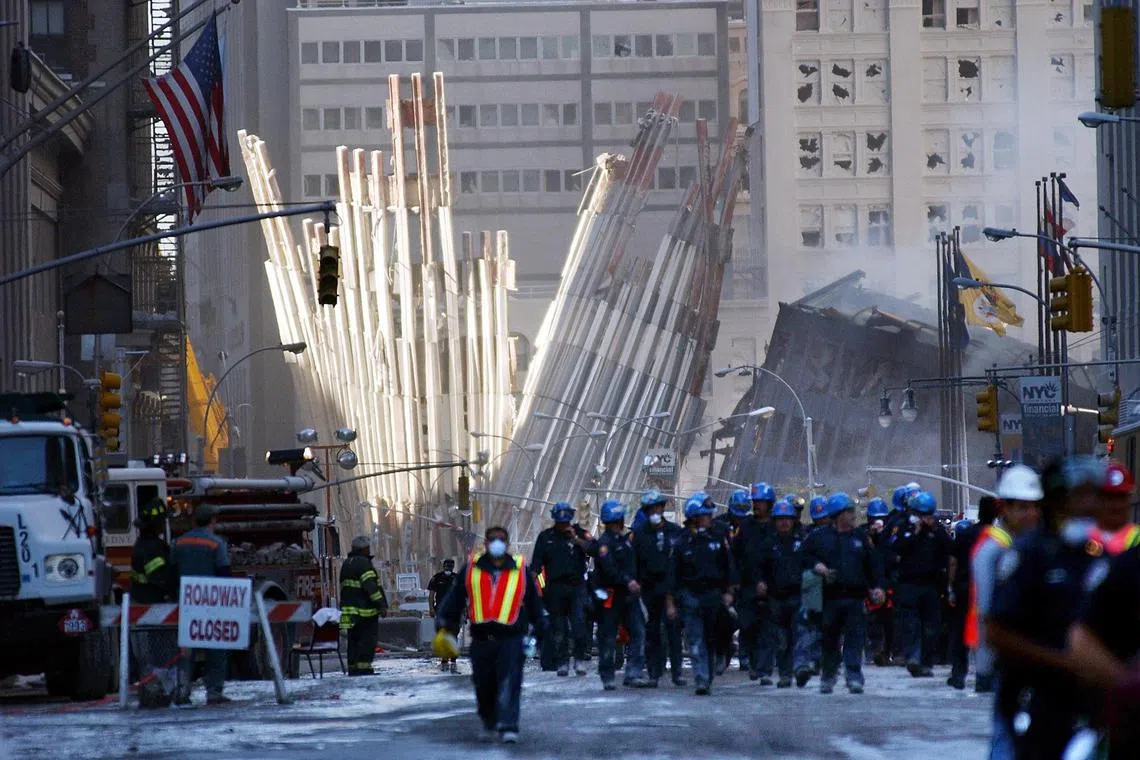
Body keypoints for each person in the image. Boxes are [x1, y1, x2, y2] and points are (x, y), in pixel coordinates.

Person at [988, 456, 1107, 759]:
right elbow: (998, 632)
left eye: (1095, 494)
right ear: (1056, 500)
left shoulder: (1095, 555)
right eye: (1079, 495)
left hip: (1088, 702)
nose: (1089, 504)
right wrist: (1062, 662)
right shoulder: (1029, 554)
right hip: (1036, 699)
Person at [435, 526, 545, 744]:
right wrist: (445, 622)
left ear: (507, 544)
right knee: (484, 684)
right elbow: (455, 598)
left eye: (501, 539)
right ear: (485, 543)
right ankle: (488, 720)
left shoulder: (520, 569)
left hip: (511, 637)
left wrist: (540, 629)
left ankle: (509, 725)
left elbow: (533, 603)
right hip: (482, 639)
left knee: (511, 680)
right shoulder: (472, 568)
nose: (497, 543)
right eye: (493, 539)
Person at [801, 492, 886, 695]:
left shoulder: (859, 538)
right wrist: (817, 566)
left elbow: (873, 565)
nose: (852, 515)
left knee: (855, 640)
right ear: (839, 514)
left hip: (855, 597)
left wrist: (878, 587)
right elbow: (802, 557)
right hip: (829, 598)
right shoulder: (819, 538)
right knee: (829, 640)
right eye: (849, 511)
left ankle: (854, 676)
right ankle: (828, 676)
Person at [666, 493, 738, 695]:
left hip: (714, 596)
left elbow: (729, 566)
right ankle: (701, 679)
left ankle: (710, 673)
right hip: (690, 596)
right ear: (695, 517)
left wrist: (729, 592)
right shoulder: (681, 542)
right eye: (705, 515)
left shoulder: (719, 536)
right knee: (695, 640)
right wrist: (671, 603)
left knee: (711, 638)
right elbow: (673, 575)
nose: (709, 518)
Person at [170, 504, 232, 706]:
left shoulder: (180, 542)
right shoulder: (216, 543)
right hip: (211, 604)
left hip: (186, 603)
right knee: (216, 648)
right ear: (213, 521)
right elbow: (224, 572)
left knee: (186, 650)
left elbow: (172, 568)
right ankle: (213, 692)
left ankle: (182, 690)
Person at [892, 490, 952, 679]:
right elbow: (895, 548)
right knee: (910, 624)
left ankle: (926, 661)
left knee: (931, 626)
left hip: (931, 585)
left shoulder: (937, 531)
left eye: (927, 515)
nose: (924, 519)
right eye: (921, 515)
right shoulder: (903, 527)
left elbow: (950, 549)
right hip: (909, 583)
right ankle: (913, 657)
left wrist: (935, 530)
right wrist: (914, 533)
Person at [530, 501, 592, 677]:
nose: (563, 525)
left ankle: (579, 658)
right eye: (560, 522)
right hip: (555, 588)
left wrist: (576, 539)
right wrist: (527, 586)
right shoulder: (545, 537)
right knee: (559, 628)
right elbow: (536, 564)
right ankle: (563, 661)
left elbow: (593, 549)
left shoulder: (580, 533)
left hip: (577, 587)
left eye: (566, 522)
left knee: (579, 624)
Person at [594, 499, 649, 690]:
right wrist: (628, 581)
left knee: (638, 632)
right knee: (608, 637)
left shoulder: (624, 541)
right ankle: (607, 675)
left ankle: (633, 673)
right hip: (611, 597)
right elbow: (609, 569)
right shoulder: (604, 544)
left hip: (629, 596)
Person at [632, 488, 685, 687]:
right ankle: (654, 672)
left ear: (662, 508)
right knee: (652, 632)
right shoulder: (639, 535)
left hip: (671, 588)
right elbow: (634, 562)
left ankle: (677, 672)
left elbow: (681, 561)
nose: (654, 512)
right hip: (648, 590)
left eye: (657, 508)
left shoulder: (675, 532)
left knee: (674, 632)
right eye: (650, 509)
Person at [130, 498, 176, 708]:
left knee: (151, 656)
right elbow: (159, 576)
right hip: (155, 608)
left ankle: (157, 689)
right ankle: (159, 691)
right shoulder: (152, 548)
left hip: (145, 607)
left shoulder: (142, 545)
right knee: (161, 655)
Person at [947, 498, 993, 689]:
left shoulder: (965, 534)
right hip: (988, 591)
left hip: (964, 589)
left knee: (961, 632)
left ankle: (958, 675)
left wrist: (951, 586)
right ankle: (985, 677)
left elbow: (953, 562)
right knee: (986, 634)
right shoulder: (999, 537)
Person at [758, 499, 803, 688]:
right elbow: (759, 567)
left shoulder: (803, 542)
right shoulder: (768, 543)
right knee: (779, 638)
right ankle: (779, 673)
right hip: (775, 598)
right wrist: (760, 582)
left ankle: (796, 671)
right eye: (780, 519)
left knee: (797, 636)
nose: (784, 522)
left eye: (788, 519)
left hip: (798, 596)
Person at [793, 495, 831, 685]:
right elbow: (802, 558)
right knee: (811, 624)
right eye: (818, 519)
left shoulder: (838, 534)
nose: (821, 522)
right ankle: (812, 660)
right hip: (813, 587)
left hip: (833, 587)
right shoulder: (808, 536)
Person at [714, 489, 752, 675]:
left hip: (746, 578)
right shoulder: (719, 525)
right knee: (724, 619)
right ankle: (722, 651)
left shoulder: (752, 526)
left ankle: (745, 657)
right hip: (725, 579)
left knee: (746, 618)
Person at [339, 536, 389, 676]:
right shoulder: (364, 563)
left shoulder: (347, 563)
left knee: (352, 641)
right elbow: (371, 587)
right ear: (364, 549)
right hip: (364, 612)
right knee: (367, 641)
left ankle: (353, 668)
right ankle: (364, 668)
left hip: (347, 613)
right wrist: (381, 606)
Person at [860, 497, 894, 667]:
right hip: (868, 585)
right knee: (870, 623)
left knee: (889, 623)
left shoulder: (891, 535)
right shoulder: (862, 534)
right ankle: (872, 652)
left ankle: (886, 652)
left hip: (888, 585)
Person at [1089, 462, 1140, 556]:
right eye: (1110, 497)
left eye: (1121, 498)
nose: (1116, 505)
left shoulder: (1137, 537)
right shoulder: (1083, 536)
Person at [428, 559, 459, 672]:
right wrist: (431, 608)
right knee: (443, 634)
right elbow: (431, 594)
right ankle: (444, 658)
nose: (448, 568)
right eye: (446, 566)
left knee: (454, 634)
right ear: (443, 566)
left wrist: (465, 610)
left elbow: (462, 595)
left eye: (450, 566)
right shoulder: (437, 578)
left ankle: (453, 659)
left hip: (455, 612)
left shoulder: (457, 578)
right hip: (441, 612)